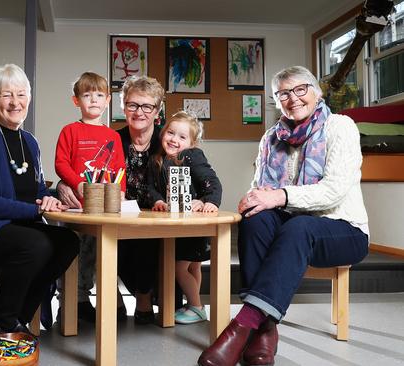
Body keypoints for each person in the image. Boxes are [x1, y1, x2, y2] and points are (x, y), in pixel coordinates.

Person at [198, 66, 369, 366]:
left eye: (300, 89)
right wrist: (252, 199)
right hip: (291, 228)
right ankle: (265, 330)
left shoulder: (340, 126)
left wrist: (279, 196)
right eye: (283, 94)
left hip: (343, 229)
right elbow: (260, 189)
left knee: (300, 227)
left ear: (316, 92)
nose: (293, 99)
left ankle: (243, 325)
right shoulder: (270, 138)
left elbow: (334, 191)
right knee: (255, 219)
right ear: (277, 101)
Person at [0, 63, 80, 334]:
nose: (15, 102)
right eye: (6, 95)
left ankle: (16, 316)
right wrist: (32, 210)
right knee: (36, 243)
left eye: (21, 94)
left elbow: (37, 192)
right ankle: (0, 319)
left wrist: (53, 198)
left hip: (19, 225)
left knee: (68, 241)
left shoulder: (30, 142)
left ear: (29, 99)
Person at [57, 75, 164, 324]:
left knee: (144, 242)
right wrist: (68, 184)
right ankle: (93, 300)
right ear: (122, 106)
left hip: (151, 218)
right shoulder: (109, 137)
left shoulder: (167, 140)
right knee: (93, 246)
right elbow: (66, 165)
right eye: (132, 105)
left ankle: (144, 300)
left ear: (156, 111)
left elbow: (120, 174)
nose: (139, 112)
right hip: (106, 212)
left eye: (146, 106)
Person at [54, 71, 126, 322]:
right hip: (75, 208)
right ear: (76, 101)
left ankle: (95, 299)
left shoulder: (114, 137)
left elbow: (119, 169)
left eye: (98, 95)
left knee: (99, 254)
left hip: (104, 210)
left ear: (107, 100)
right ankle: (72, 303)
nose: (93, 100)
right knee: (74, 254)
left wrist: (122, 194)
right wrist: (78, 184)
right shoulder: (69, 131)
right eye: (87, 95)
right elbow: (61, 164)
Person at [146, 111, 222, 324]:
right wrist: (158, 201)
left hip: (194, 225)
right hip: (174, 225)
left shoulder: (192, 156)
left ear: (192, 142)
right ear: (163, 133)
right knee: (191, 267)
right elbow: (150, 188)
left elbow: (212, 183)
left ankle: (196, 306)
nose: (174, 139)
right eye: (170, 133)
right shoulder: (156, 160)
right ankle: (193, 304)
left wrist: (208, 201)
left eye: (182, 137)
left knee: (181, 267)